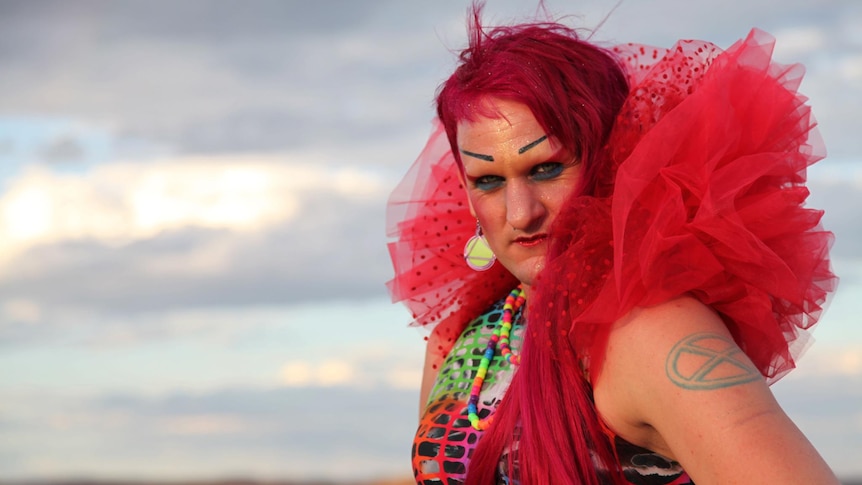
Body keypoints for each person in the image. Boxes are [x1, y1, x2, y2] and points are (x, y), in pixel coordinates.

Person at [386, 4, 839, 484]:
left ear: (611, 159)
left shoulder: (655, 335)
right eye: (489, 181)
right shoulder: (460, 342)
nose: (521, 213)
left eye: (547, 168)